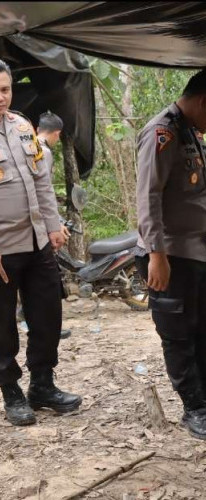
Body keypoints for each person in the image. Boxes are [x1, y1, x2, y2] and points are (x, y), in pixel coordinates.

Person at [134, 67, 206, 440]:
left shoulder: (190, 132)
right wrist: (156, 253)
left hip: (198, 252)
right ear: (203, 100)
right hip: (169, 254)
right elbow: (148, 196)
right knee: (178, 333)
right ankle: (193, 407)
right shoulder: (162, 133)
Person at [0, 59, 82, 426]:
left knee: (48, 315)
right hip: (3, 248)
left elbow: (41, 183)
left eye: (4, 90)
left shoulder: (22, 126)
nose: (1, 97)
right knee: (2, 325)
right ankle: (11, 392)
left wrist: (52, 226)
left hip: (36, 243)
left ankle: (42, 385)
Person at [37, 111, 72, 339]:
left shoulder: (26, 144)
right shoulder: (44, 152)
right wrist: (56, 225)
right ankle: (50, 327)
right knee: (48, 280)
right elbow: (44, 191)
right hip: (40, 226)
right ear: (56, 134)